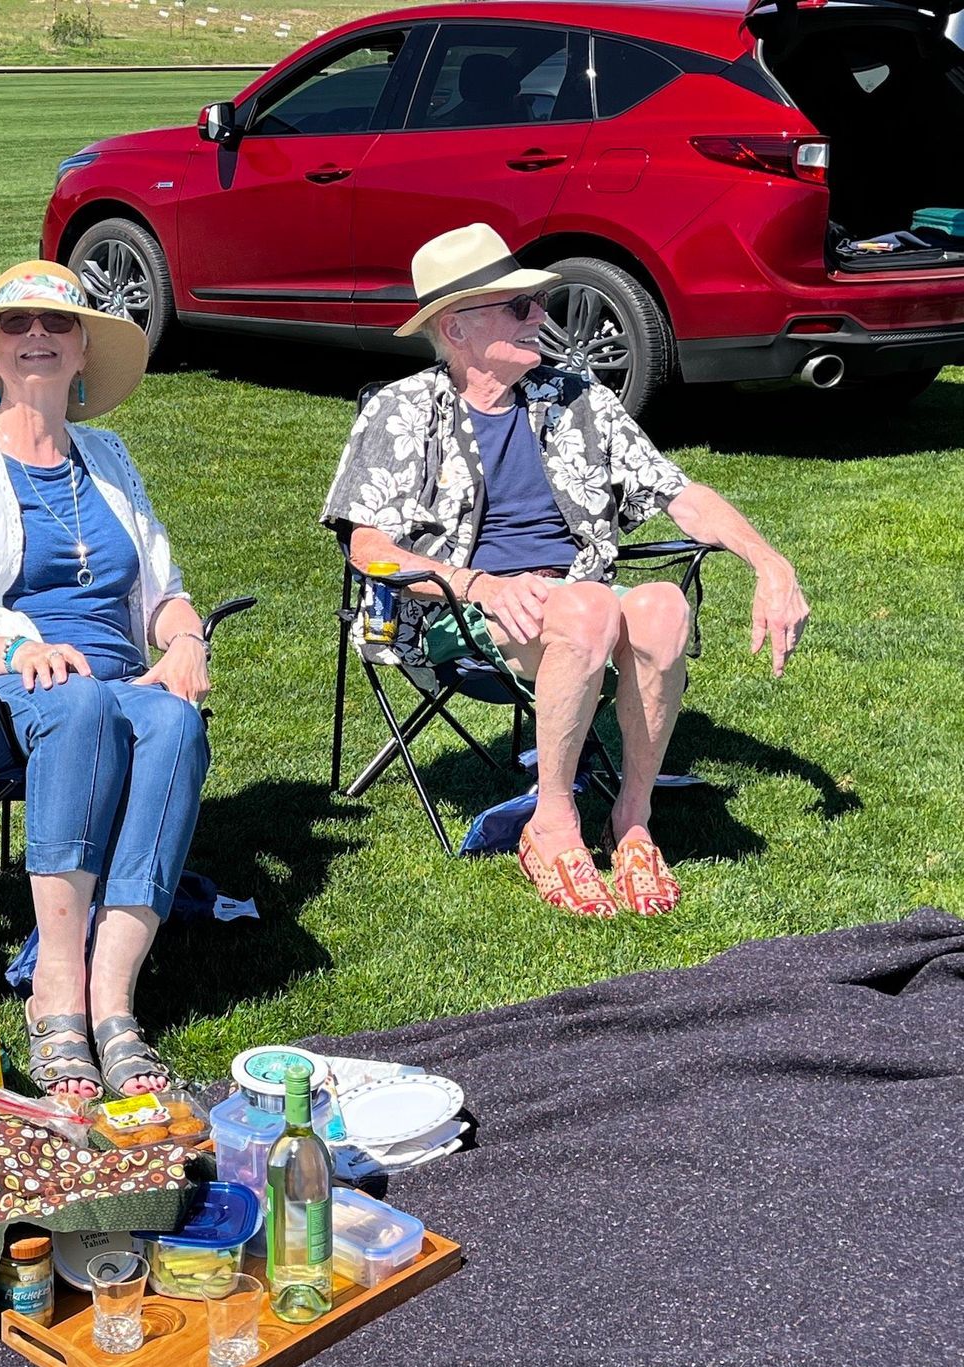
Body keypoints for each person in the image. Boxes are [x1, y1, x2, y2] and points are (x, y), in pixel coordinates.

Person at [322, 225, 809, 917]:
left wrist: (770, 562)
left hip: (577, 598)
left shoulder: (576, 399)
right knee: (588, 609)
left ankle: (631, 820)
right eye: (520, 307)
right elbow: (367, 545)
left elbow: (680, 492)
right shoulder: (403, 411)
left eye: (540, 302)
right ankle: (552, 823)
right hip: (456, 612)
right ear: (457, 328)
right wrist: (478, 585)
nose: (541, 317)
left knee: (664, 603)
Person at [0, 262, 210, 1100]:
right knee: (83, 699)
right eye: (16, 326)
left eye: (57, 326)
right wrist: (13, 649)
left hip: (113, 679)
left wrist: (187, 639)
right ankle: (57, 992)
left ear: (83, 349)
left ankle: (114, 998)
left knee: (173, 721)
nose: (36, 339)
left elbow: (161, 590)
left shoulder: (109, 458)